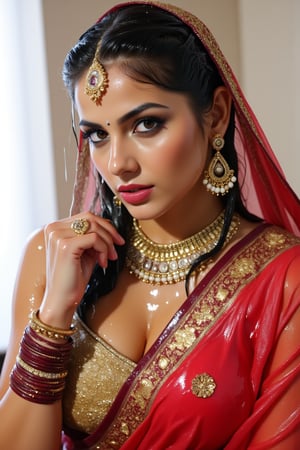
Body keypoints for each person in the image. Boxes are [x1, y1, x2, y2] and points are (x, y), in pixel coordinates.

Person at [0, 1, 299, 449]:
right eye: (98, 135)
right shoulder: (52, 257)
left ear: (216, 114)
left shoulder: (284, 280)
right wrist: (54, 315)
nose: (117, 163)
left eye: (147, 124)